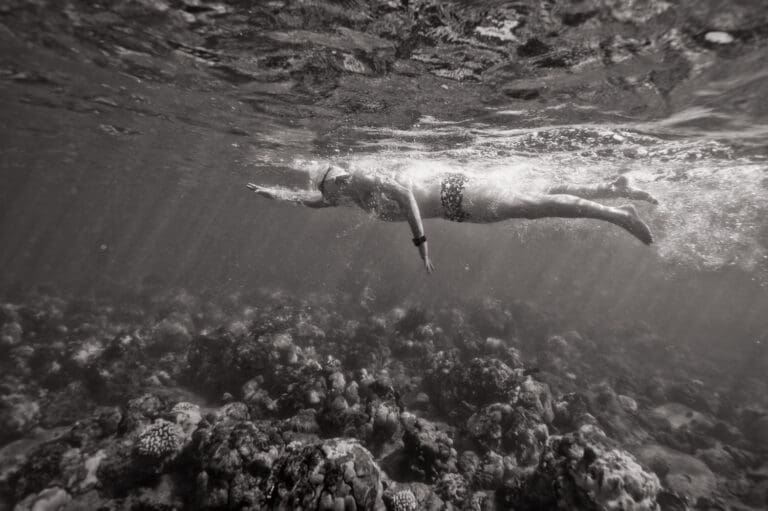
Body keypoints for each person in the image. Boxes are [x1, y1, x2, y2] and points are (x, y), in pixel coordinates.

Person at [246, 164, 656, 274]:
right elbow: (310, 203)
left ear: (333, 179)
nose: (324, 196)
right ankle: (615, 186)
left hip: (455, 194)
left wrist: (421, 247)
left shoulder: (363, 179)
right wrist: (275, 195)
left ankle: (618, 215)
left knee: (533, 206)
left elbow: (407, 198)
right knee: (536, 198)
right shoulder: (343, 197)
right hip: (458, 207)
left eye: (324, 188)